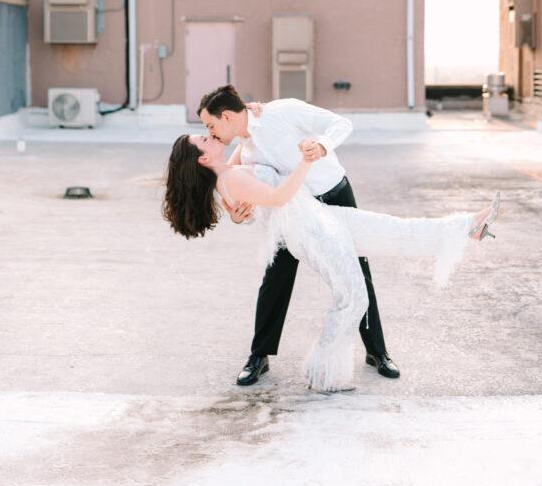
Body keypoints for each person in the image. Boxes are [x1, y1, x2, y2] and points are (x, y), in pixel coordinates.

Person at [162, 126, 500, 393]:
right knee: (353, 296)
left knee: (396, 231)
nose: (210, 135)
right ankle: (321, 370)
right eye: (204, 138)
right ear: (203, 159)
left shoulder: (229, 173)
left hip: (325, 217)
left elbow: (243, 151)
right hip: (313, 234)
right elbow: (278, 197)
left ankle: (467, 227)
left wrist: (245, 124)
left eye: (208, 129)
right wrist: (306, 162)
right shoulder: (230, 178)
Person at [197, 85, 398, 386]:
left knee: (358, 270)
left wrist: (322, 145)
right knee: (276, 274)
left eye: (210, 126)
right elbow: (249, 199)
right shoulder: (244, 153)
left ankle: (377, 351)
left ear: (226, 116)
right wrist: (240, 217)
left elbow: (340, 124)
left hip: (334, 195)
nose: (210, 134)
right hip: (291, 215)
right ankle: (258, 356)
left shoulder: (282, 111)